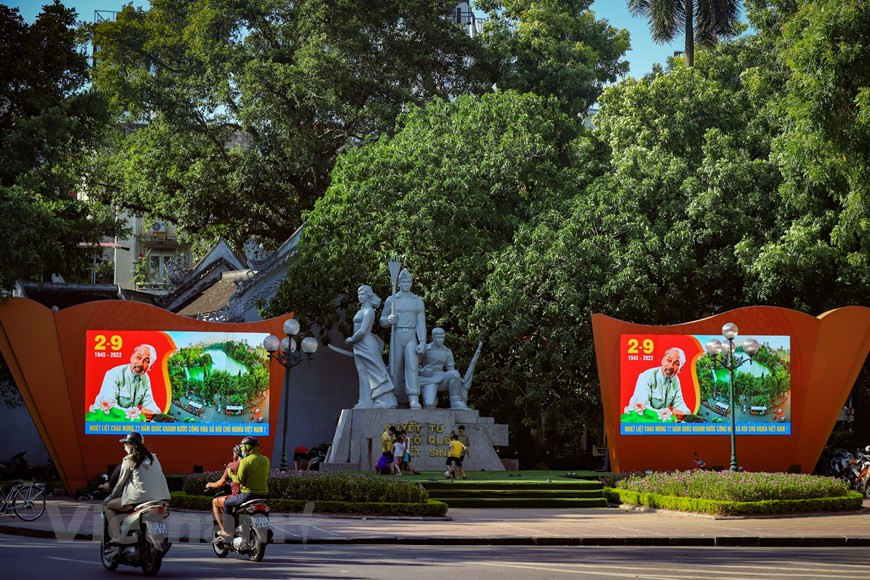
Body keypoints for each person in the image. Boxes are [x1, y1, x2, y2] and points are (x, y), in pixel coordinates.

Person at [102, 432, 170, 553]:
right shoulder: (154, 458)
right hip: (160, 499)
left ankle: (117, 537)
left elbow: (120, 484)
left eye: (125, 444)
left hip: (138, 500)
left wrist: (110, 497)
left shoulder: (129, 460)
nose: (124, 447)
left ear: (130, 445)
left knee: (108, 506)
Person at [380, 269, 426, 408]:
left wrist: (422, 342)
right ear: (399, 283)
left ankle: (413, 398)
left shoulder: (417, 301)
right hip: (396, 335)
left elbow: (420, 323)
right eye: (403, 281)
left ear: (412, 283)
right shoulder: (392, 299)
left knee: (412, 367)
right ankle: (392, 397)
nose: (406, 284)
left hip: (411, 336)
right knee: (394, 367)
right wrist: (388, 320)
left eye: (408, 281)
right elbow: (382, 320)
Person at [347, 285, 398, 409]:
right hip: (358, 344)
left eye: (363, 294)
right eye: (359, 294)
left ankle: (385, 401)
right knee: (362, 373)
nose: (360, 296)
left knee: (376, 372)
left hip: (366, 343)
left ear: (368, 295)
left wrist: (351, 339)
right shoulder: (360, 310)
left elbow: (363, 331)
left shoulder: (369, 311)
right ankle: (365, 401)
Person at [92, 344, 161, 419]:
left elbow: (149, 402)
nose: (140, 363)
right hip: (102, 421)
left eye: (146, 361)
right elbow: (109, 408)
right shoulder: (114, 374)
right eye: (138, 357)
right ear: (131, 358)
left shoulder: (145, 378)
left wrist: (160, 416)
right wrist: (138, 415)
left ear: (151, 366)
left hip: (126, 422)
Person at [221, 436, 270, 533]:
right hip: (264, 496)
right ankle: (265, 528)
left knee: (227, 503)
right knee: (265, 511)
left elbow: (239, 480)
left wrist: (230, 473)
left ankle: (227, 531)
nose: (242, 449)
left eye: (243, 446)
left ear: (248, 447)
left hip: (248, 495)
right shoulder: (266, 460)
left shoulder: (244, 461)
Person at [628, 347, 691, 417]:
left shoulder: (675, 380)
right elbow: (642, 409)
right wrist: (668, 415)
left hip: (659, 421)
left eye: (676, 364)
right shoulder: (646, 376)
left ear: (680, 369)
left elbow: (679, 403)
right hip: (636, 419)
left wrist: (688, 416)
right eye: (669, 360)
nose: (671, 366)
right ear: (663, 360)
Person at [419, 328, 466, 409]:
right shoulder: (425, 349)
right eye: (438, 337)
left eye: (442, 337)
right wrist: (422, 371)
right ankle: (431, 398)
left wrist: (458, 379)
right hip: (427, 379)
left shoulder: (447, 352)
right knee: (430, 405)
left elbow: (451, 369)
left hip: (441, 377)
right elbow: (415, 366)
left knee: (455, 374)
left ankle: (455, 401)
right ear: (433, 337)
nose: (441, 340)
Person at [205, 445, 242, 537]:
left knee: (215, 502)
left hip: (238, 496)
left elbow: (221, 483)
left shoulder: (232, 465)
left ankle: (224, 530)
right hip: (254, 495)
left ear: (236, 454)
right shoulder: (251, 465)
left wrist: (210, 484)